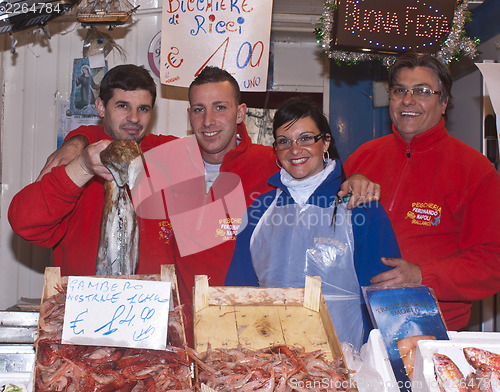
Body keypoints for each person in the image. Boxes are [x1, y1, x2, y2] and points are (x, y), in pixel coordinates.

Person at [30, 66, 380, 344]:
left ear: (241, 112)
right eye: (199, 110)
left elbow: (312, 169)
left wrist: (355, 175)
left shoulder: (271, 162)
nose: (209, 121)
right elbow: (120, 136)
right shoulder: (166, 155)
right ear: (188, 115)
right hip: (169, 332)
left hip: (255, 329)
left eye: (220, 107)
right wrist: (79, 141)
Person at [225, 97, 401, 349]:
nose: (295, 150)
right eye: (284, 142)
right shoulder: (258, 210)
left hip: (344, 367)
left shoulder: (361, 207)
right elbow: (237, 295)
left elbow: (384, 299)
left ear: (326, 141)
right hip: (270, 366)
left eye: (306, 138)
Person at [344, 53, 500, 331]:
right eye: (399, 90)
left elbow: (491, 263)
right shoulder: (361, 158)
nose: (408, 100)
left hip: (431, 328)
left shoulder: (475, 170)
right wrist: (343, 190)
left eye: (422, 91)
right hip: (357, 323)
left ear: (444, 103)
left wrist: (422, 275)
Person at [8, 64, 177, 277]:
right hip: (87, 306)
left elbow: (220, 142)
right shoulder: (78, 160)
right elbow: (25, 224)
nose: (134, 118)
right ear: (101, 107)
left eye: (143, 108)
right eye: (123, 106)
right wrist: (82, 167)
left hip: (154, 307)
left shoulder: (165, 153)